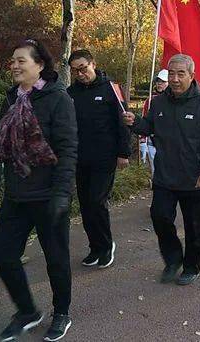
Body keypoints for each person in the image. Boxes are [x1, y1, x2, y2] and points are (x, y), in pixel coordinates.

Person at [0, 39, 78, 342]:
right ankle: (27, 311)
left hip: (48, 195)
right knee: (2, 254)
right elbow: (2, 144)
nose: (14, 65)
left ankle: (61, 311)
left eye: (21, 60)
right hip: (17, 194)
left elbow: (67, 148)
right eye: (12, 60)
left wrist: (62, 193)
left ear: (40, 65)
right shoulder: (12, 98)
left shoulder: (58, 99)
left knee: (56, 259)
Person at [122, 54, 200, 286]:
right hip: (165, 175)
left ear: (191, 76)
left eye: (180, 74)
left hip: (194, 178)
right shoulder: (158, 102)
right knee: (160, 216)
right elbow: (150, 127)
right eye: (171, 73)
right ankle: (173, 259)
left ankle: (191, 266)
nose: (175, 79)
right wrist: (135, 121)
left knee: (194, 227)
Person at [67, 49, 131, 269]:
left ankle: (106, 245)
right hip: (80, 158)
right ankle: (94, 247)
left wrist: (124, 153)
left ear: (93, 64)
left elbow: (123, 122)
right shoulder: (70, 93)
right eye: (75, 70)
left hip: (105, 157)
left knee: (97, 201)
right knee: (85, 204)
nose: (80, 73)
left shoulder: (111, 89)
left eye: (83, 68)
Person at [140, 70, 169, 174]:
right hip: (153, 142)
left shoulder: (175, 100)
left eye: (163, 81)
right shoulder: (150, 100)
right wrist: (143, 140)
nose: (159, 83)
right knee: (155, 171)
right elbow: (144, 120)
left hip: (170, 144)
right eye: (158, 81)